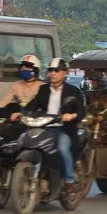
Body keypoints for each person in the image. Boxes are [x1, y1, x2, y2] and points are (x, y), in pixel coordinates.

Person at [24, 58, 85, 190]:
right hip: (44, 127)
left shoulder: (73, 91)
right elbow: (33, 105)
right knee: (28, 144)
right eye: (50, 70)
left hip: (64, 129)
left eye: (56, 70)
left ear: (64, 73)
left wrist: (72, 115)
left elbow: (81, 112)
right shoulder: (43, 89)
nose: (53, 73)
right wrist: (22, 113)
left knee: (63, 148)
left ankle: (69, 180)